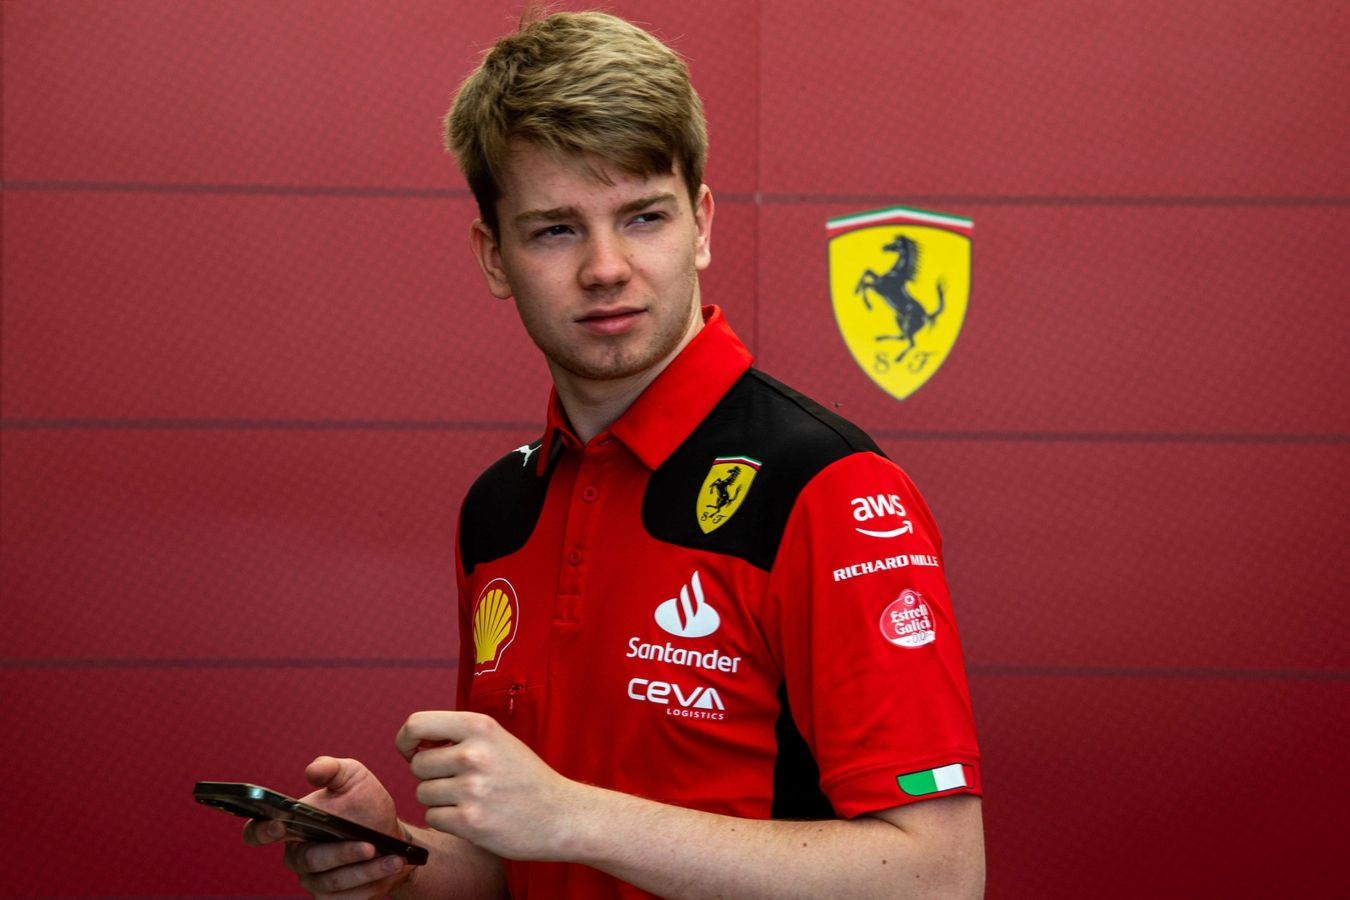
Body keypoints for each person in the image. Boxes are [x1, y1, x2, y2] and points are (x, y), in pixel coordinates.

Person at [246, 10, 984, 898]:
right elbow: (527, 867)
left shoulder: (824, 487)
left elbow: (938, 876)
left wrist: (572, 815)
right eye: (555, 229)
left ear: (700, 225)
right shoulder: (501, 507)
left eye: (643, 217)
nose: (605, 266)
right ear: (493, 256)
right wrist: (398, 860)